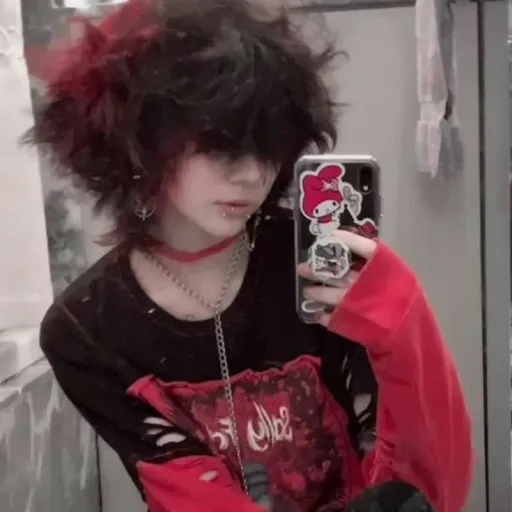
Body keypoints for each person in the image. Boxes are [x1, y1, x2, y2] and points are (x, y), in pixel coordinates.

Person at [25, 0, 473, 511]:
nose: (253, 174)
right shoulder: (86, 329)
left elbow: (431, 490)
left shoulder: (319, 265)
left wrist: (402, 319)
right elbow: (192, 494)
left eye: (269, 145)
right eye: (221, 145)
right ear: (139, 140)